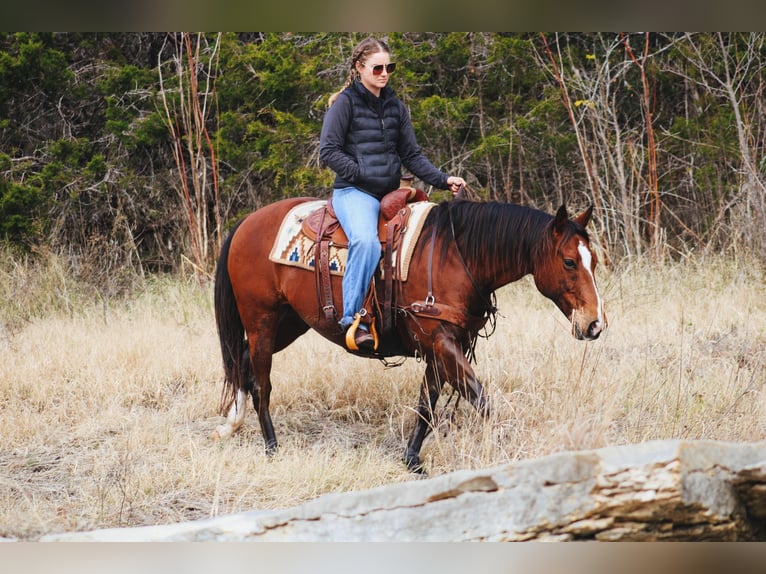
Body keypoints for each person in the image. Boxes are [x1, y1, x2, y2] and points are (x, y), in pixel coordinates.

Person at [319, 36, 465, 351]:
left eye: (389, 67)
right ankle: (352, 317)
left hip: (392, 193)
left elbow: (411, 155)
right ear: (359, 68)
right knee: (367, 243)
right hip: (354, 192)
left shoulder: (395, 106)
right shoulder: (345, 103)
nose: (384, 74)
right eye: (377, 68)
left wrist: (443, 180)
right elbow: (328, 150)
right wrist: (360, 173)